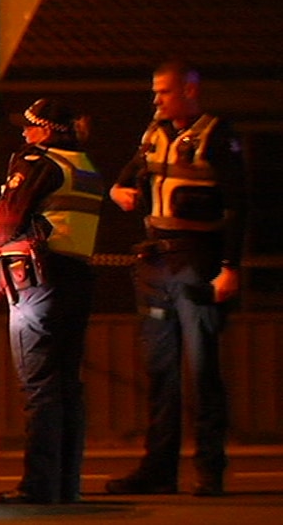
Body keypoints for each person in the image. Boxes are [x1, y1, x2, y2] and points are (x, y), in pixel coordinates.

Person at [105, 59, 246, 497]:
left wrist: (230, 267)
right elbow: (123, 180)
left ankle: (209, 468)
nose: (156, 100)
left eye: (163, 92)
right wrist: (118, 192)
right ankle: (159, 469)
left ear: (189, 91)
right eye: (155, 91)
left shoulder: (217, 135)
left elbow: (239, 205)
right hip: (154, 262)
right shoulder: (153, 133)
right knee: (160, 371)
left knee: (203, 370)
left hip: (197, 260)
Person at [0, 98, 103, 504]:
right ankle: (66, 483)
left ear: (48, 130)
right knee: (68, 386)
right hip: (76, 280)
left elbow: (4, 224)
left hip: (37, 281)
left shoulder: (39, 163)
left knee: (39, 387)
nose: (24, 133)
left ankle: (38, 486)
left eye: (30, 127)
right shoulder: (84, 166)